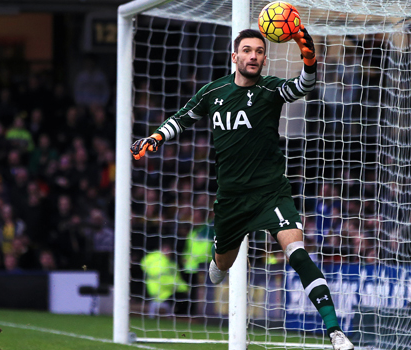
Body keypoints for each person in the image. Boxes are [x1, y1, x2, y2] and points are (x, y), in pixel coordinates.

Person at [131, 27, 353, 350]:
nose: (254, 56)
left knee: (298, 253)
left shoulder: (271, 90)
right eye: (247, 50)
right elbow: (181, 119)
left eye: (259, 52)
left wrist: (305, 47)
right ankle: (218, 258)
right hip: (232, 200)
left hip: (271, 192)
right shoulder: (213, 92)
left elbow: (304, 84)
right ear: (235, 57)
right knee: (221, 266)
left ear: (264, 57)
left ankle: (335, 331)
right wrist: (155, 138)